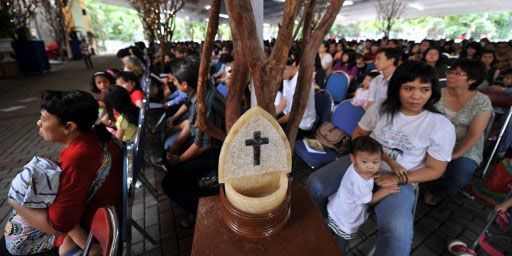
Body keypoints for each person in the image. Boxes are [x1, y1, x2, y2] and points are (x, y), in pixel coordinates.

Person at [307, 61, 456, 256]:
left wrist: (398, 178)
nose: (416, 96)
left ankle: (355, 217)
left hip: (402, 179)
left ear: (432, 91)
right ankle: (332, 231)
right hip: (362, 165)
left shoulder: (440, 125)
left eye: (424, 89)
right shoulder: (380, 108)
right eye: (409, 88)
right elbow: (359, 134)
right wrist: (383, 157)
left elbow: (436, 169)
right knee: (314, 185)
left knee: (397, 233)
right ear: (397, 88)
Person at [4, 90, 122, 256]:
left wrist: (14, 201)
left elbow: (59, 225)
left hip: (94, 233)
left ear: (69, 127)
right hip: (101, 220)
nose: (38, 123)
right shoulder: (96, 137)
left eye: (44, 119)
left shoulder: (78, 156)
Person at [161, 56, 225, 228]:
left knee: (170, 183)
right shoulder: (201, 89)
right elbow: (192, 123)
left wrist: (179, 159)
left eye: (174, 81)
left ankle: (203, 213)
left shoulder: (205, 105)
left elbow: (201, 146)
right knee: (173, 162)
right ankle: (200, 194)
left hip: (218, 152)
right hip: (207, 144)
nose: (173, 83)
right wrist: (177, 144)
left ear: (185, 85)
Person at [424, 59, 492, 205]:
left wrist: (453, 155)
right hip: (434, 140)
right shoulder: (438, 93)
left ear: (472, 80)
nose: (451, 76)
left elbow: (474, 135)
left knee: (461, 174)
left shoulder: (482, 102)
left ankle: (438, 190)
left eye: (458, 74)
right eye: (451, 71)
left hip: (464, 145)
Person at [327, 137, 399, 252]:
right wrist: (386, 191)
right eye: (365, 162)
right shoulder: (360, 182)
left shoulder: (356, 167)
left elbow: (368, 170)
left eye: (375, 162)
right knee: (338, 244)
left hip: (337, 209)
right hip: (345, 220)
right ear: (353, 158)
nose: (370, 166)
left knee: (329, 235)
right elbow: (369, 200)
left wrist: (375, 173)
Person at [278, 47, 316, 138]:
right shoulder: (287, 76)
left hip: (302, 124)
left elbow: (293, 114)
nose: (279, 75)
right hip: (288, 115)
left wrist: (275, 123)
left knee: (273, 136)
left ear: (294, 64)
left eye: (282, 70)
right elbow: (283, 103)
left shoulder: (302, 82)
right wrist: (270, 115)